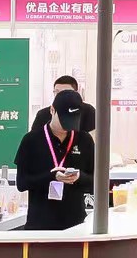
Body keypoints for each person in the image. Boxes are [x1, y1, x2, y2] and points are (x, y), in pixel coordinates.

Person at [14, 89, 95, 231]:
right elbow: (22, 183)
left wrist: (79, 177)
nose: (67, 127)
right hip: (40, 225)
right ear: (52, 110)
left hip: (75, 225)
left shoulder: (84, 140)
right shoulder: (31, 140)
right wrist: (52, 177)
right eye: (64, 120)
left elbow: (95, 181)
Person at [29, 76, 98, 134]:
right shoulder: (43, 114)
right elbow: (33, 139)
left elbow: (95, 136)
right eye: (57, 92)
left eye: (66, 92)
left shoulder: (89, 111)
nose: (61, 95)